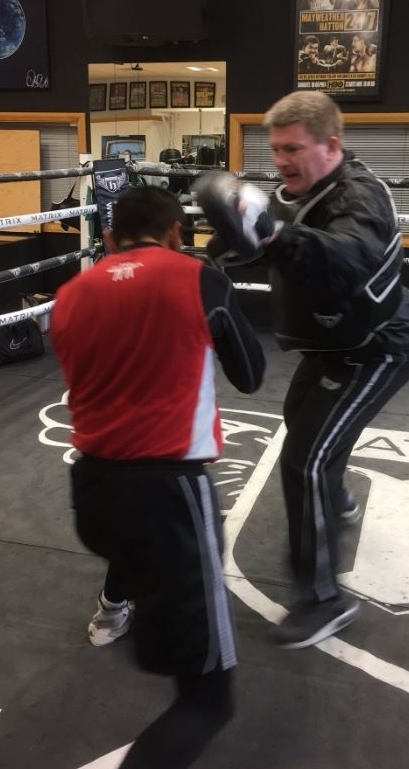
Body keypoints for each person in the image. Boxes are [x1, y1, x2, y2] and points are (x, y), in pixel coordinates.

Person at [198, 91, 409, 650]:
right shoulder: (295, 193)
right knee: (300, 421)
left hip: (377, 348)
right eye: (275, 149)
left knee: (306, 459)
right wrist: (216, 250)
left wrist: (274, 234)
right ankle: (337, 499)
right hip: (333, 347)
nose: (280, 160)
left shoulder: (361, 194)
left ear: (330, 145)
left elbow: (347, 257)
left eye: (293, 149)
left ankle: (324, 600)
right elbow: (252, 244)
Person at [51, 186, 265, 769]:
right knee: (207, 702)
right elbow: (251, 375)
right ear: (176, 233)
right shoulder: (197, 280)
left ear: (109, 238)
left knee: (136, 544)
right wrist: (219, 287)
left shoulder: (70, 295)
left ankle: (113, 609)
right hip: (171, 493)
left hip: (92, 492)